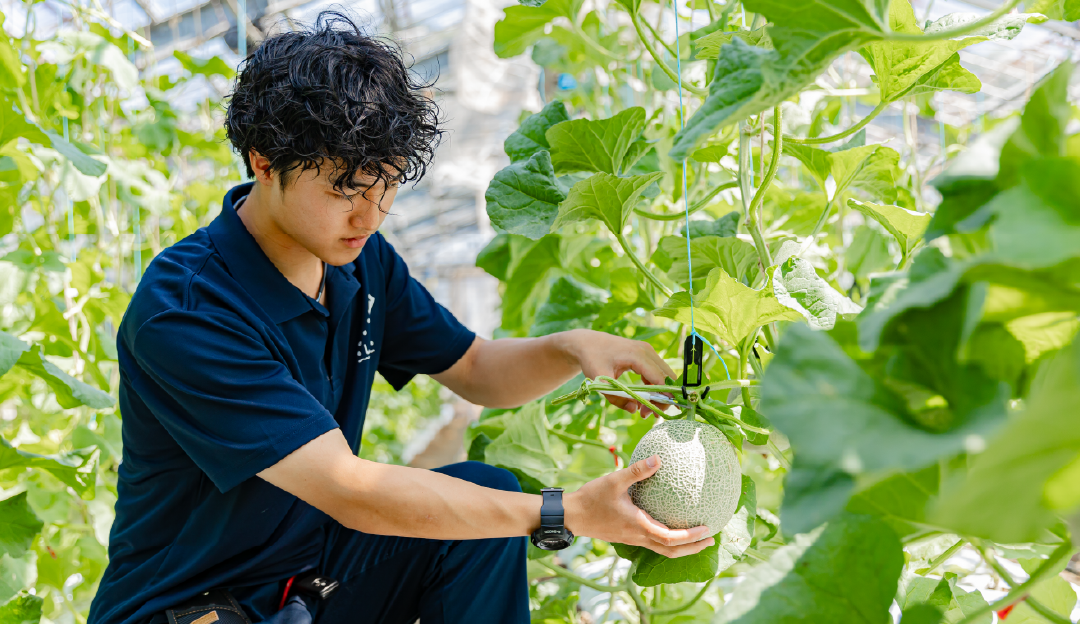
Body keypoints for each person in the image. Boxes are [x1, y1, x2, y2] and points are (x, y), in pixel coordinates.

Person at [88, 12, 713, 624]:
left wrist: (572, 348)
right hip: (191, 607)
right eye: (344, 188)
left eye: (386, 186)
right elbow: (348, 489)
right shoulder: (188, 308)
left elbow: (474, 368)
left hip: (307, 584)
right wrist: (563, 511)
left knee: (483, 492)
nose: (370, 215)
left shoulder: (359, 264)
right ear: (262, 159)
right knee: (500, 505)